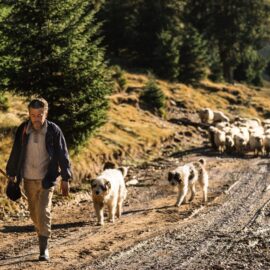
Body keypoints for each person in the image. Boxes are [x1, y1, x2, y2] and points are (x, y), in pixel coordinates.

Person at [6, 98, 72, 261]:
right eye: (33, 115)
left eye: (40, 115)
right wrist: (12, 173)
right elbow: (16, 152)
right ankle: (42, 233)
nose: (36, 118)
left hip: (47, 179)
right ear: (29, 114)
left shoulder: (53, 130)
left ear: (46, 113)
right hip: (28, 179)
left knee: (43, 212)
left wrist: (65, 177)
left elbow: (63, 154)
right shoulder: (23, 129)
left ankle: (44, 249)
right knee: (34, 214)